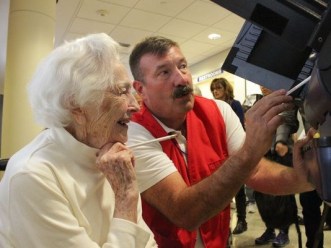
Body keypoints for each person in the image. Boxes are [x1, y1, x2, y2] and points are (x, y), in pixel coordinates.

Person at [127, 35, 315, 248]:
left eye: (183, 66)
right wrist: (251, 149)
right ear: (140, 89)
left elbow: (255, 172)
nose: (182, 79)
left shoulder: (218, 111)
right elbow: (185, 212)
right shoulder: (133, 134)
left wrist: (308, 178)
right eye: (164, 72)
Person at [0, 33, 156, 248]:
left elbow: (147, 242)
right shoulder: (32, 175)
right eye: (122, 91)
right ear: (77, 105)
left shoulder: (113, 157)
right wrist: (125, 199)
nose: (136, 106)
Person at [254, 86, 299, 247]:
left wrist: (280, 140)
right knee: (263, 194)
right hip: (264, 153)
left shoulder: (285, 98)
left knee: (283, 195)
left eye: (266, 83)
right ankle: (270, 229)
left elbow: (287, 119)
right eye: (260, 84)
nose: (263, 86)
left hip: (282, 151)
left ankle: (284, 232)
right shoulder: (259, 101)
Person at [210, 77, 248, 235]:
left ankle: (242, 220)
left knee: (238, 188)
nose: (215, 91)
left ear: (226, 89)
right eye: (213, 89)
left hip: (233, 149)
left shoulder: (235, 104)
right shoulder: (212, 106)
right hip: (219, 151)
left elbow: (239, 126)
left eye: (218, 88)